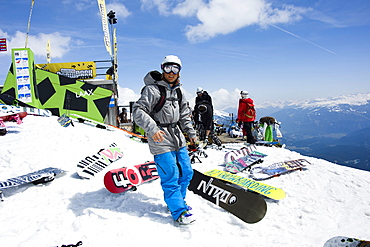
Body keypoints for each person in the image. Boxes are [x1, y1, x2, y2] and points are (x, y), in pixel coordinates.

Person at [132, 55, 197, 225]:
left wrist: (191, 133)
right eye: (168, 68)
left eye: (175, 68)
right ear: (162, 68)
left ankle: (177, 202)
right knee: (171, 174)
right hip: (159, 136)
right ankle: (179, 211)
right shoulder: (152, 90)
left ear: (179, 71)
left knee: (186, 172)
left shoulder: (180, 91)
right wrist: (152, 129)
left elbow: (184, 115)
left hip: (177, 136)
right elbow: (138, 111)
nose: (171, 72)